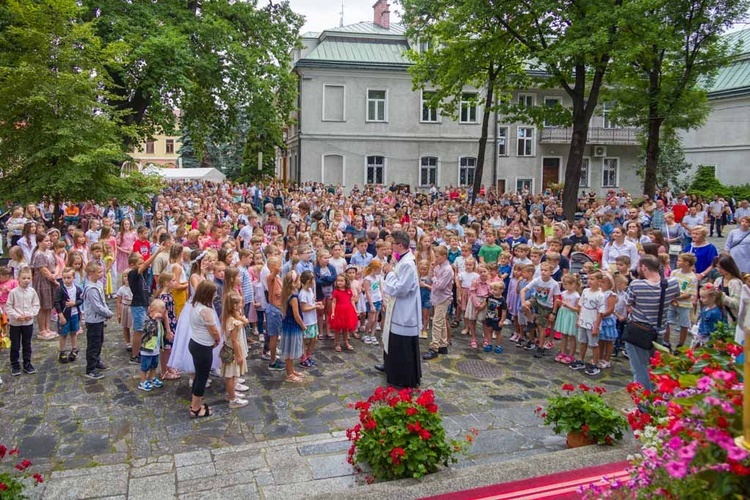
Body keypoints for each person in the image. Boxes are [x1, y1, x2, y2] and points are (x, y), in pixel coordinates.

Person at [624, 254, 680, 391]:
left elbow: (627, 303)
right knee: (654, 367)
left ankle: (643, 405)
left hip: (639, 331)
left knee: (640, 368)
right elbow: (676, 295)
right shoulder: (672, 283)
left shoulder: (637, 284)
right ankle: (655, 397)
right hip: (659, 331)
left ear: (643, 267)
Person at [377, 230, 422, 388]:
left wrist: (389, 273)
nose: (390, 246)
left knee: (401, 342)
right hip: (397, 306)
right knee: (391, 338)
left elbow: (401, 288)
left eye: (393, 243)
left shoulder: (408, 263)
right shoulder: (402, 259)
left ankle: (402, 376)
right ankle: (390, 367)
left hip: (404, 309)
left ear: (400, 245)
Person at [188, 280, 221, 418]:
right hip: (203, 347)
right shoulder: (206, 311)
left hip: (195, 343)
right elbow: (213, 331)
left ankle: (195, 402)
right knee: (202, 377)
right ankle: (195, 408)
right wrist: (218, 339)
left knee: (198, 375)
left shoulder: (194, 306)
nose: (216, 295)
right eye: (214, 293)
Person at [82, 261, 114, 380]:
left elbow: (103, 301)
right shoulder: (91, 289)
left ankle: (96, 361)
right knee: (93, 344)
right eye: (99, 272)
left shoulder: (98, 284)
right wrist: (108, 313)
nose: (102, 274)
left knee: (99, 341)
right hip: (93, 320)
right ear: (91, 273)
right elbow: (97, 306)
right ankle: (90, 368)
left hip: (99, 319)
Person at [6, 268, 40, 377]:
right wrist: (17, 316)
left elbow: (36, 305)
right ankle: (15, 364)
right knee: (15, 345)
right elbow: (9, 307)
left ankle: (27, 363)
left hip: (27, 323)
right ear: (18, 279)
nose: (26, 280)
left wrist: (31, 314)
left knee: (27, 343)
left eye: (28, 278)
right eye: (24, 278)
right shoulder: (13, 292)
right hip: (15, 323)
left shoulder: (32, 292)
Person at [221, 292, 249, 407]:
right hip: (232, 352)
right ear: (234, 306)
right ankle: (233, 399)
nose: (242, 305)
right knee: (231, 376)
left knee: (230, 375)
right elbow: (234, 341)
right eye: (240, 303)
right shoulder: (234, 322)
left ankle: (231, 393)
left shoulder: (227, 318)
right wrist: (239, 355)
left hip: (227, 349)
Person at [424, 246, 453, 358]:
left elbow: (440, 286)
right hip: (437, 297)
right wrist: (432, 269)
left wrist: (435, 278)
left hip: (443, 298)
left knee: (436, 322)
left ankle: (434, 347)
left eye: (437, 257)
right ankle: (443, 343)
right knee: (440, 321)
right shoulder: (438, 267)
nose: (435, 259)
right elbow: (428, 279)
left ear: (444, 256)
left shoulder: (448, 270)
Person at [280, 272, 307, 383]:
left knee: (289, 349)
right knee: (290, 350)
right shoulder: (294, 297)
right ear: (294, 283)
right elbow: (296, 315)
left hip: (288, 323)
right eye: (299, 280)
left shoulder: (287, 293)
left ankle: (291, 370)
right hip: (293, 325)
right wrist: (303, 325)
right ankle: (289, 374)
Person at [137, 299, 170, 392]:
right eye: (158, 312)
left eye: (161, 313)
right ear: (151, 310)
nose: (160, 315)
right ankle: (143, 381)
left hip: (155, 348)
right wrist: (154, 319)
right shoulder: (147, 319)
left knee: (154, 365)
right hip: (147, 348)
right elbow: (148, 329)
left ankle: (152, 377)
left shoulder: (158, 320)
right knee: (145, 366)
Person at [54, 267, 83, 364]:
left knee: (74, 332)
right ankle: (62, 351)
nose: (66, 280)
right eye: (64, 278)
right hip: (65, 315)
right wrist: (60, 315)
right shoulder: (60, 289)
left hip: (74, 314)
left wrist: (74, 303)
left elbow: (81, 300)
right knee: (63, 334)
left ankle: (74, 349)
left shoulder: (77, 289)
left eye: (69, 278)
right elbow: (57, 303)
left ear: (73, 278)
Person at [554, 274, 580, 364]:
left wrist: (567, 305)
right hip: (563, 314)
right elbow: (561, 304)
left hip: (571, 315)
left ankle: (571, 355)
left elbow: (578, 309)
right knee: (564, 335)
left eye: (566, 284)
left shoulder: (576, 296)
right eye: (564, 284)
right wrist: (559, 303)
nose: (564, 286)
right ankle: (562, 352)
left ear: (573, 284)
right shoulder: (563, 293)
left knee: (571, 336)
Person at [329, 274, 358, 352]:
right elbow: (333, 302)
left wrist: (355, 310)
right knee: (337, 329)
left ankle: (346, 342)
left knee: (346, 328)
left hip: (347, 311)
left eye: (341, 281)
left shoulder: (349, 291)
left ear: (346, 281)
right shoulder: (336, 292)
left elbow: (352, 301)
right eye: (338, 281)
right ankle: (337, 343)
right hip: (339, 311)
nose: (339, 283)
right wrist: (332, 312)